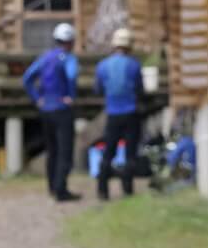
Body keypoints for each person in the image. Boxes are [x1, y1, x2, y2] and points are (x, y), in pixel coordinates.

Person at [22, 23, 81, 202]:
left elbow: (27, 78)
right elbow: (71, 76)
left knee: (52, 150)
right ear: (70, 41)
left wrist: (37, 98)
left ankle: (52, 187)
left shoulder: (45, 57)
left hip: (45, 109)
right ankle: (61, 190)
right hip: (61, 109)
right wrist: (71, 95)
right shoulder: (68, 58)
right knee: (65, 150)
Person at [95, 28, 143, 200]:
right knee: (130, 152)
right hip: (130, 113)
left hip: (112, 113)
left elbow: (98, 89)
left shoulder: (102, 65)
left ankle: (102, 189)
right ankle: (127, 189)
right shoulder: (134, 65)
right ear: (129, 46)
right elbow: (140, 89)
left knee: (109, 151)